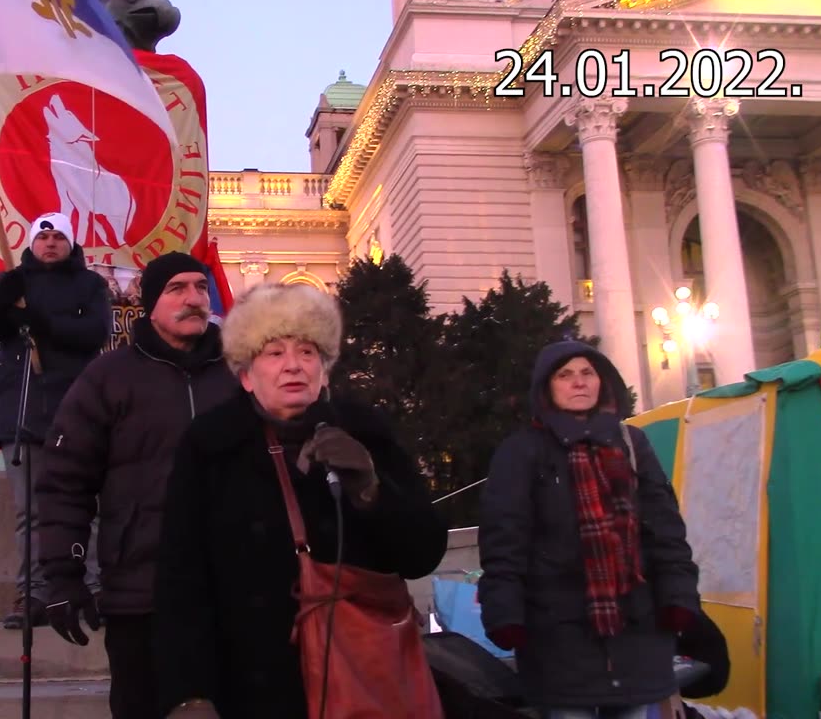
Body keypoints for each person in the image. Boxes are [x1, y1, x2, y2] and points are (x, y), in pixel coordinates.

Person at [152, 283, 449, 719]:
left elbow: (423, 553)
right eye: (274, 352)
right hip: (252, 687)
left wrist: (371, 489)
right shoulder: (210, 445)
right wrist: (189, 694)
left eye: (307, 352)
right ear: (248, 375)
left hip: (363, 678)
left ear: (325, 371)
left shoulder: (366, 431)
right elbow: (181, 577)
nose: (293, 365)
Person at [36, 251, 241, 719]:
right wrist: (64, 575)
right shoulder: (108, 378)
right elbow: (65, 481)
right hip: (141, 591)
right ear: (150, 304)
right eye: (177, 289)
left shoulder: (240, 374)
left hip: (234, 589)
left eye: (200, 288)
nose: (193, 299)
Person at [478, 340, 700, 718]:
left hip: (637, 632)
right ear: (547, 387)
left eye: (587, 373)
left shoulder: (631, 442)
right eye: (565, 375)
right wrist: (505, 613)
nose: (578, 383)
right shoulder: (522, 451)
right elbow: (505, 539)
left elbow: (665, 531)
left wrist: (678, 597)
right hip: (559, 636)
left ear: (602, 382)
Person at [0, 212, 111, 629]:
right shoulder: (14, 285)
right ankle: (32, 592)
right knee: (29, 512)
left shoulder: (90, 285)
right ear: (32, 243)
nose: (50, 243)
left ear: (71, 243)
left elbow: (95, 333)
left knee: (88, 504)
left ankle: (93, 585)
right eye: (43, 236)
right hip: (22, 409)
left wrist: (41, 322)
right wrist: (0, 300)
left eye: (58, 236)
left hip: (76, 409)